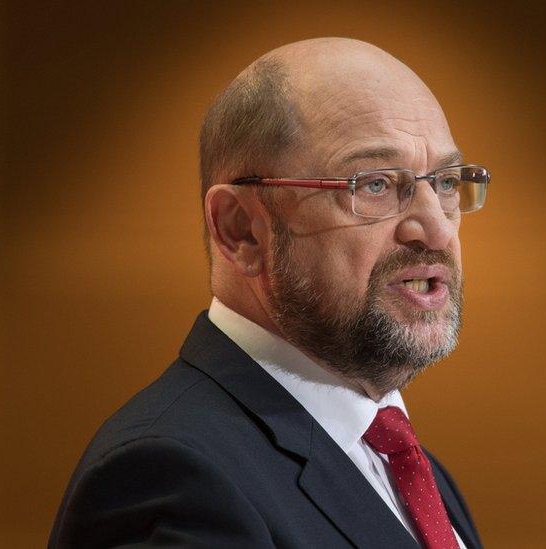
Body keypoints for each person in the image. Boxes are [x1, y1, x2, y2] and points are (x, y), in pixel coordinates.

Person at [49, 37, 489, 548]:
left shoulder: (410, 468)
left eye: (447, 183)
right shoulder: (173, 477)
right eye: (375, 184)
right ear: (241, 230)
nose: (435, 229)